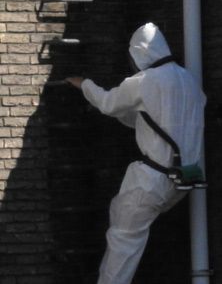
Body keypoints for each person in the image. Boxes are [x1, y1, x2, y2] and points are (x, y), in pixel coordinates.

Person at [67, 23, 206, 284]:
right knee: (126, 224)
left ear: (139, 52)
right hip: (183, 180)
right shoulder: (189, 81)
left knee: (123, 241)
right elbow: (156, 121)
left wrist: (84, 85)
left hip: (151, 180)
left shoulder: (143, 82)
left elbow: (108, 103)